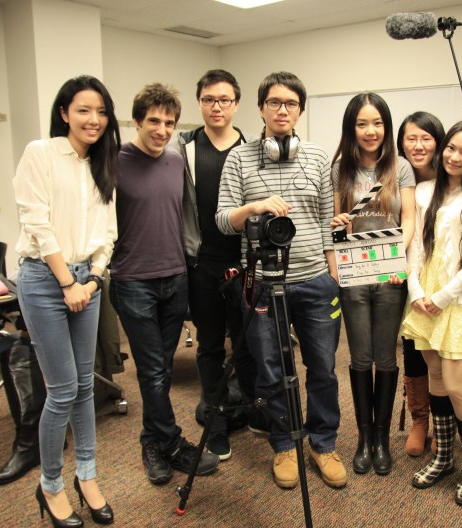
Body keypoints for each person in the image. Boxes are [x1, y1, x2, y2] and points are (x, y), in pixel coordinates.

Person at [215, 71, 347, 489]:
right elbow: (222, 220)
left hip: (314, 280)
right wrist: (254, 205)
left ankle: (323, 443)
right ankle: (284, 444)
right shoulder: (238, 159)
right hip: (261, 284)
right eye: (274, 102)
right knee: (271, 371)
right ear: (261, 109)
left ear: (300, 110)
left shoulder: (317, 157)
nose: (282, 109)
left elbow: (328, 218)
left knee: (323, 368)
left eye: (290, 103)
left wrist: (332, 270)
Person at [13, 75, 119, 527]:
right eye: (83, 110)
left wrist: (92, 279)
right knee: (61, 391)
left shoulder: (102, 163)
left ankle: (88, 477)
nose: (93, 120)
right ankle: (50, 485)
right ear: (64, 113)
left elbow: (107, 234)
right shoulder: (41, 153)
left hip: (87, 280)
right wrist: (67, 283)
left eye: (100, 112)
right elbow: (37, 222)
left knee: (84, 386)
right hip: (42, 279)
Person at [109, 83, 219, 486]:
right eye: (153, 121)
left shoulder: (176, 163)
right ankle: (172, 443)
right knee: (154, 370)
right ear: (136, 120)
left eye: (169, 122)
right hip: (133, 281)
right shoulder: (114, 161)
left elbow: (187, 214)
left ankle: (150, 441)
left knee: (160, 372)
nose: (162, 129)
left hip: (175, 277)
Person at [400, 120, 462, 506]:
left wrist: (442, 296)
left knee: (457, 386)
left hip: (457, 301)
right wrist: (417, 291)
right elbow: (415, 249)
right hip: (423, 298)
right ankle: (443, 456)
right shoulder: (424, 192)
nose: (455, 157)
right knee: (436, 382)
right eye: (451, 149)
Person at [171, 69, 260, 461]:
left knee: (247, 346)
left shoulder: (253, 149)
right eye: (209, 99)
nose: (217, 106)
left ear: (236, 104)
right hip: (203, 263)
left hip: (245, 263)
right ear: (200, 103)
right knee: (208, 347)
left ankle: (249, 410)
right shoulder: (185, 149)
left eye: (224, 99)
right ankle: (217, 422)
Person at [331, 93, 416, 475]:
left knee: (386, 357)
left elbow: (410, 218)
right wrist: (335, 257)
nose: (370, 131)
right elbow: (337, 221)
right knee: (359, 358)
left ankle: (382, 438)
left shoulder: (401, 169)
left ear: (387, 126)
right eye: (362, 124)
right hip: (353, 276)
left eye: (377, 123)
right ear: (352, 128)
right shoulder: (340, 169)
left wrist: (400, 256)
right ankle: (364, 437)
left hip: (390, 275)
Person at [395, 111, 445, 457]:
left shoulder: (456, 176)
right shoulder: (395, 174)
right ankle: (419, 419)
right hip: (406, 273)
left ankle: (445, 423)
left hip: (444, 279)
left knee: (445, 352)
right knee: (412, 347)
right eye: (411, 138)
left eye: (426, 138)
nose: (418, 145)